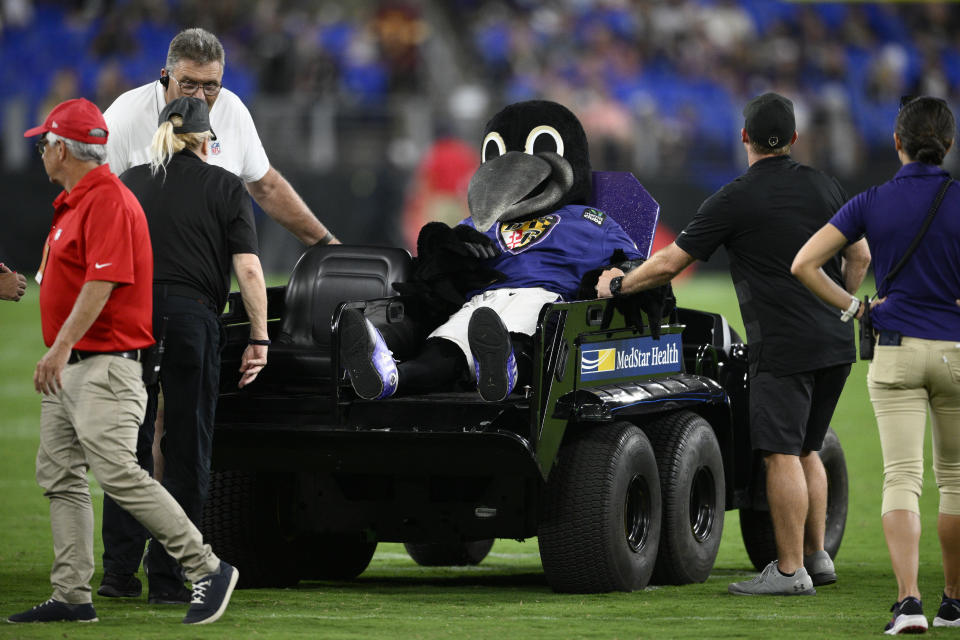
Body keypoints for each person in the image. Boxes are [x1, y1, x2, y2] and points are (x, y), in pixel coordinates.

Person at [597, 92, 871, 596]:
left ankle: (789, 573)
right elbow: (861, 255)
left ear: (743, 137)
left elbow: (669, 264)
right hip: (835, 341)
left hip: (784, 348)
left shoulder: (734, 198)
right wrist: (840, 302)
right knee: (810, 447)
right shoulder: (826, 186)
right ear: (793, 139)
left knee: (781, 454)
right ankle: (817, 558)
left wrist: (617, 284)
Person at [11, 98, 237, 625]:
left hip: (105, 363)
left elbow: (104, 280)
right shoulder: (74, 202)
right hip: (74, 368)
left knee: (119, 472)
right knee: (61, 476)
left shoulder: (108, 198)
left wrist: (62, 346)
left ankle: (206, 567)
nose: (41, 151)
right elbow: (63, 280)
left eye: (44, 142)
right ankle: (71, 594)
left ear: (62, 148)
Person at [340, 100, 644, 402]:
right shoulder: (483, 222)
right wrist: (444, 249)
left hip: (543, 297)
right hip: (484, 300)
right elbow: (441, 267)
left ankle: (507, 369)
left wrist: (621, 274)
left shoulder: (589, 219)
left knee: (520, 333)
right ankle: (391, 374)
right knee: (448, 344)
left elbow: (634, 264)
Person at [793, 96, 960, 634]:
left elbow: (805, 263)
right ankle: (953, 602)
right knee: (955, 482)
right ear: (949, 146)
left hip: (895, 350)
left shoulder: (872, 200)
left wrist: (854, 307)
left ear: (897, 143)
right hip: (956, 352)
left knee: (902, 478)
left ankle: (908, 604)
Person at [97, 97, 269, 604]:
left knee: (129, 447)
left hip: (133, 319)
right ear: (205, 139)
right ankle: (173, 579)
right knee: (188, 448)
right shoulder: (225, 186)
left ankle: (118, 573)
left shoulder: (128, 182)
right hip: (194, 319)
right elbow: (251, 270)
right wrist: (258, 337)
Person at [103, 27, 337, 247]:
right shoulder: (125, 116)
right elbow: (92, 198)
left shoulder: (232, 110)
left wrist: (328, 245)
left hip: (206, 278)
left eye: (210, 86)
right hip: (136, 271)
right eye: (188, 84)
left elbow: (267, 187)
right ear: (165, 76)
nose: (200, 97)